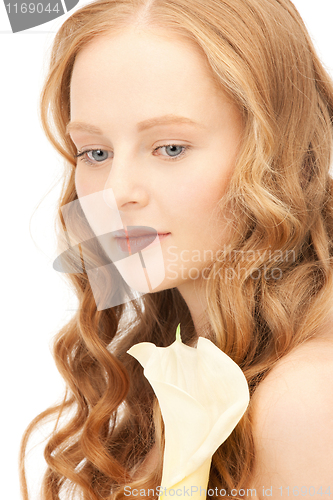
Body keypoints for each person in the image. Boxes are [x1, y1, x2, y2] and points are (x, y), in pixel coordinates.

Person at [19, 0, 333, 498]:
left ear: (279, 151)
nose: (115, 191)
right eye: (95, 152)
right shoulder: (177, 359)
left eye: (170, 147)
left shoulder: (307, 397)